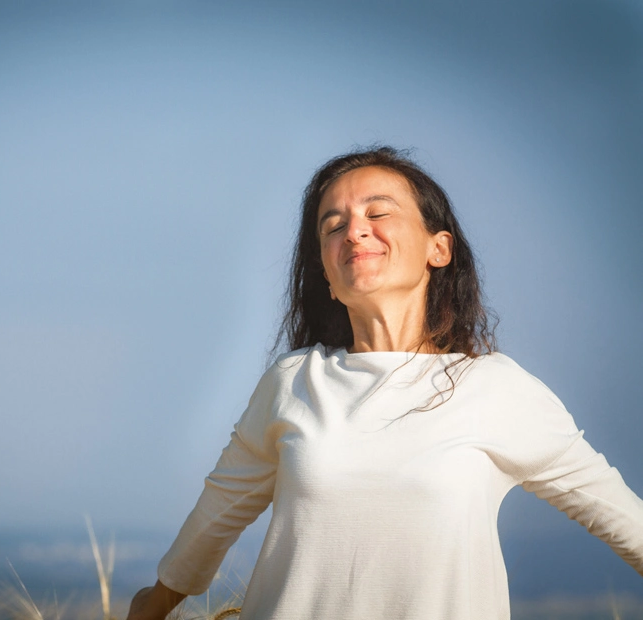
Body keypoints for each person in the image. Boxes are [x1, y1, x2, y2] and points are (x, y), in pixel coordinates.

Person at [125, 146, 643, 620]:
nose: (353, 231)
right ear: (326, 271)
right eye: (333, 225)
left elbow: (623, 520)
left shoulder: (497, 389)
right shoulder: (294, 381)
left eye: (377, 214)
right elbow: (214, 520)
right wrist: (151, 606)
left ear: (438, 249)